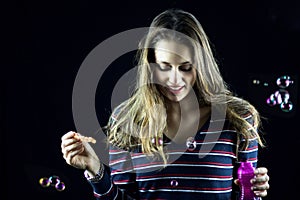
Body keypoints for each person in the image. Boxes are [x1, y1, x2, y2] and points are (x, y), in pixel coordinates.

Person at [61, 8, 270, 199]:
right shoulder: (127, 120)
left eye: (185, 67)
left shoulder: (238, 119)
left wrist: (254, 192)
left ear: (201, 66)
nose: (175, 79)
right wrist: (95, 170)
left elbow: (246, 194)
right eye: (165, 67)